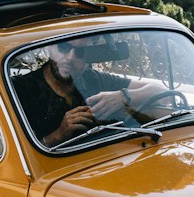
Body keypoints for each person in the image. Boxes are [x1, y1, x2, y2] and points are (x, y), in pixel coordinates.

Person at [13, 39, 168, 148]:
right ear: (51, 48)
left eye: (80, 52)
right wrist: (59, 134)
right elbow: (17, 155)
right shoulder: (21, 89)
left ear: (89, 56)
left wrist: (123, 97)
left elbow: (163, 93)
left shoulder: (93, 79)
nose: (70, 58)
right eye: (63, 47)